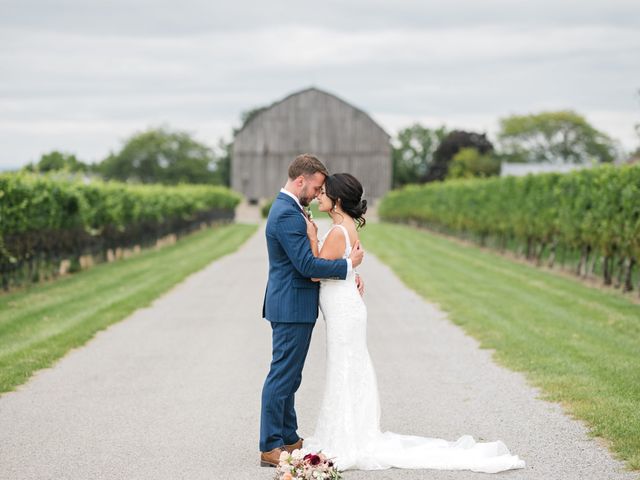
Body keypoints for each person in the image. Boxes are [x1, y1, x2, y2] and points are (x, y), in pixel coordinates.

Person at [302, 172, 526, 474]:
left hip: (343, 309)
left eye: (323, 192)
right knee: (348, 365)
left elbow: (318, 271)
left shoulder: (338, 231)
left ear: (338, 199)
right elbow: (340, 265)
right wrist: (352, 272)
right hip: (345, 305)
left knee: (343, 366)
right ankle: (349, 431)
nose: (318, 196)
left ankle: (345, 437)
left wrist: (315, 239)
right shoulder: (347, 227)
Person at [259, 154, 365, 467]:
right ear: (301, 180)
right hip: (291, 305)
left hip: (295, 305)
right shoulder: (286, 214)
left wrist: (350, 274)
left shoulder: (293, 209)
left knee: (291, 375)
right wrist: (348, 266)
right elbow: (307, 266)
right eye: (316, 187)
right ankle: (270, 445)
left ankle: (289, 436)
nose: (319, 193)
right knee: (282, 375)